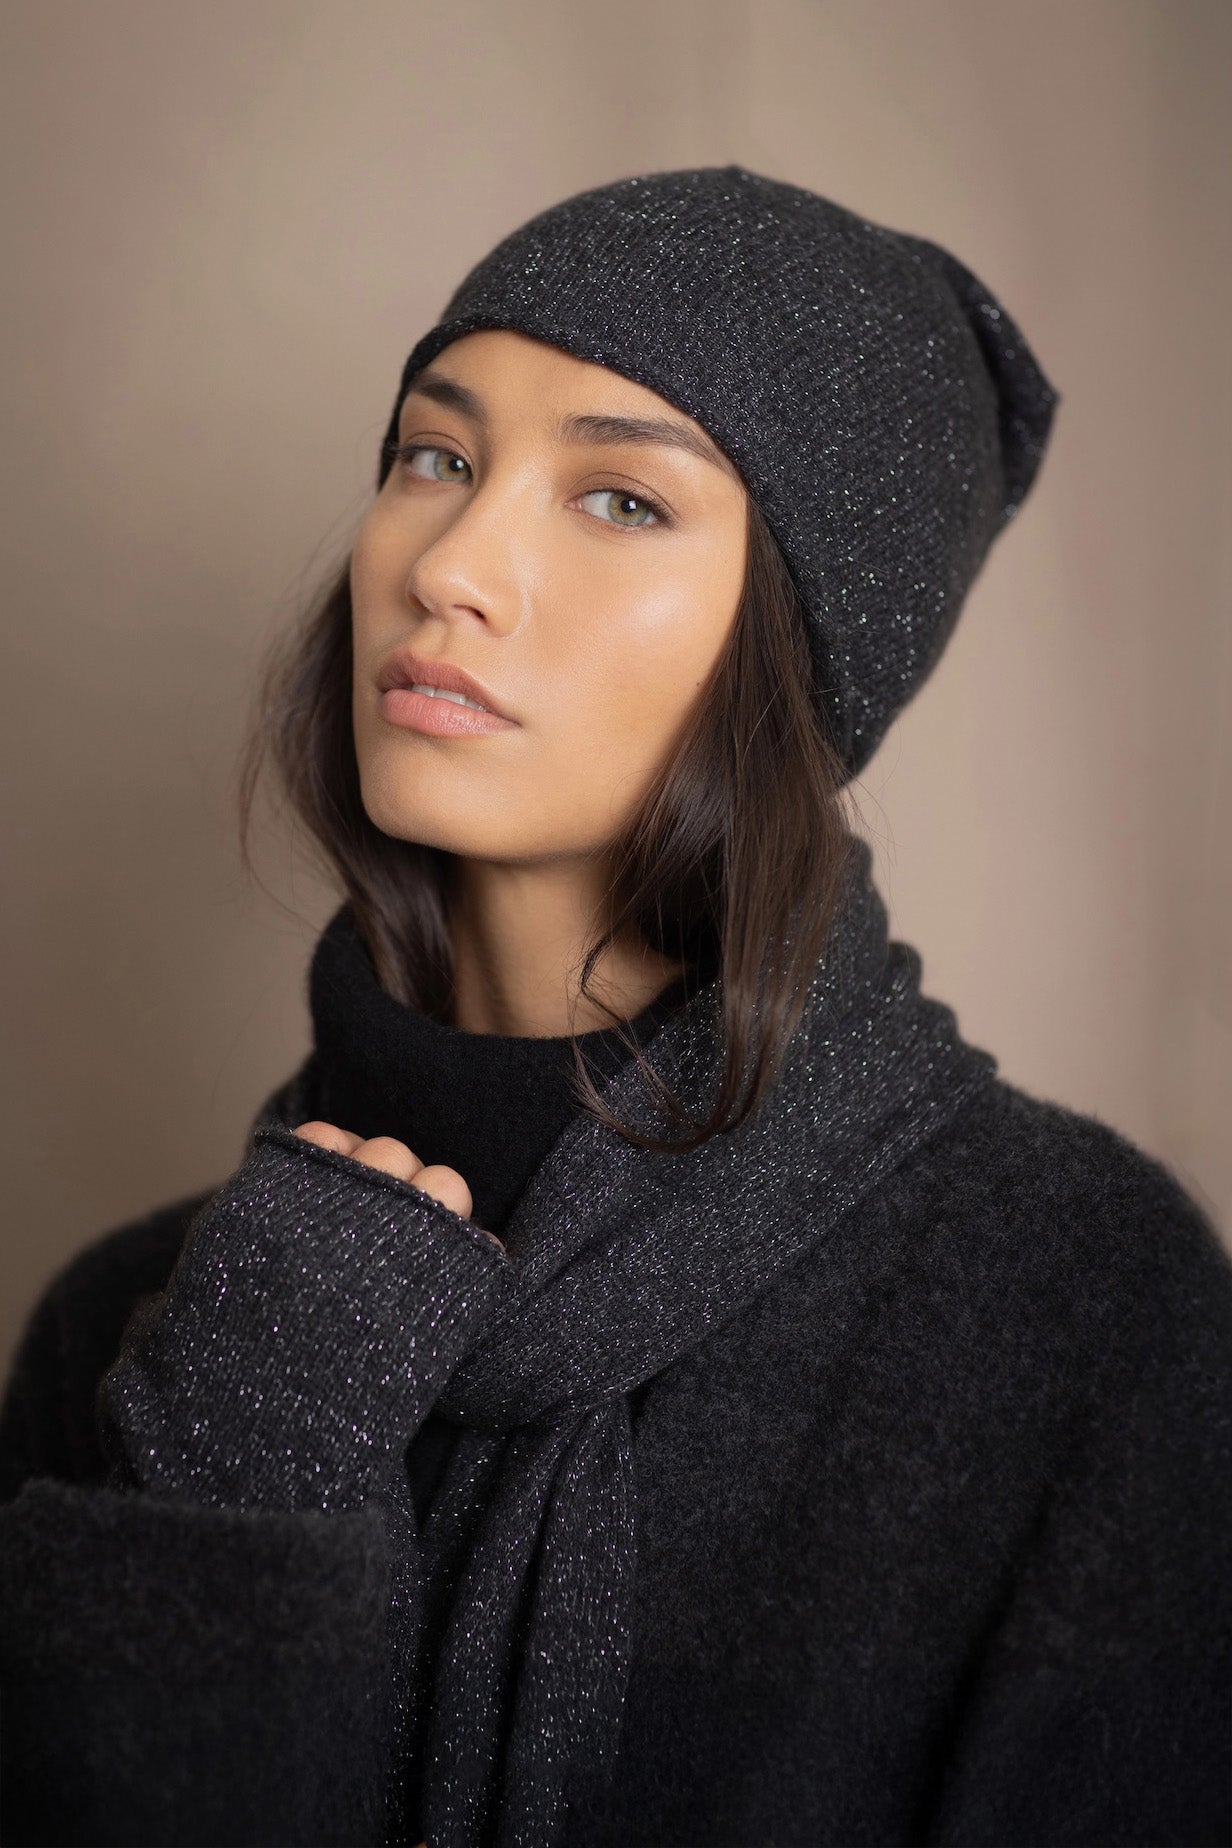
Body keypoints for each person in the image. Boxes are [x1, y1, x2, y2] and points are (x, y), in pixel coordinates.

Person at [1, 165, 1229, 1848]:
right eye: (437, 456)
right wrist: (245, 1486)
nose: (453, 565)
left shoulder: (1082, 1306)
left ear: (794, 651)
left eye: (624, 501)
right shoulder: (143, 1327)